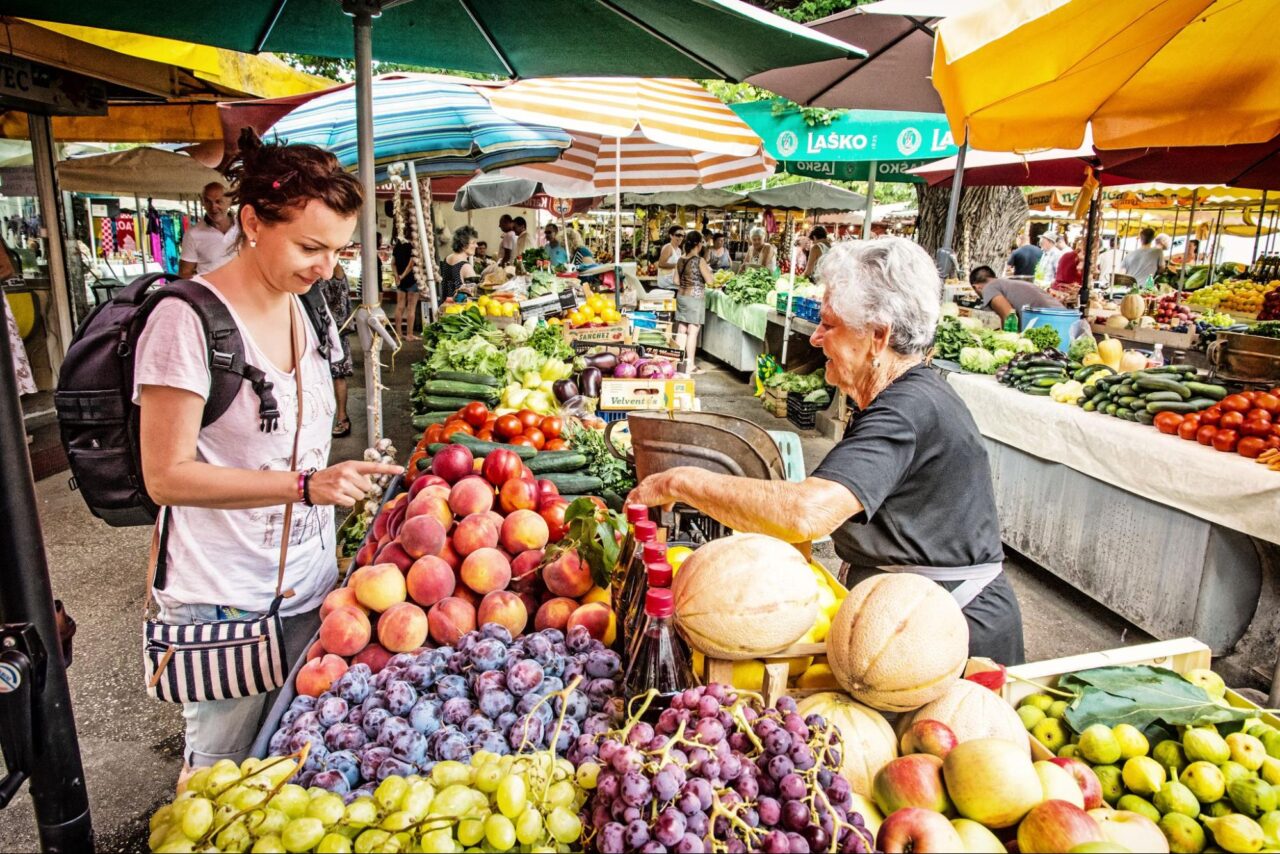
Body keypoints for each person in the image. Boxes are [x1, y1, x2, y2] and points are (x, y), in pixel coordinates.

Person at [134, 129, 402, 774]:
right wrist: (306, 486)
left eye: (337, 251)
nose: (326, 269)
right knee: (222, 773)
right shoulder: (184, 321)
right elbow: (165, 477)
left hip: (311, 592)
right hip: (223, 597)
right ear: (251, 221)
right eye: (310, 247)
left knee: (296, 759)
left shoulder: (305, 309)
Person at [629, 238, 1025, 664]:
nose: (815, 339)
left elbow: (806, 513)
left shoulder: (907, 410)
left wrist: (681, 481)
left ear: (877, 336)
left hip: (953, 636)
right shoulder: (903, 397)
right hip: (909, 622)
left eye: (829, 325)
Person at [317, 261, 354, 437]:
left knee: (338, 376)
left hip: (336, 333)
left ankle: (342, 417)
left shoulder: (335, 273)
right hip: (315, 331)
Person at [970, 265, 1063, 326]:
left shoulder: (989, 287)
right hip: (1065, 318)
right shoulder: (1006, 284)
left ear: (976, 287)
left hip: (1052, 322)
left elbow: (1009, 316)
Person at [178, 182, 238, 277]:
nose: (213, 207)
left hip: (242, 290)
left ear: (229, 202)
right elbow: (185, 273)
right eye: (208, 202)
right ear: (203, 203)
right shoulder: (193, 234)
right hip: (210, 290)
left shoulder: (244, 227)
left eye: (218, 201)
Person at [674, 231, 712, 375]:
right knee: (692, 332)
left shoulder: (680, 259)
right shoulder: (699, 260)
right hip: (694, 298)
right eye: (702, 242)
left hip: (681, 297)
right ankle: (690, 365)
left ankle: (677, 362)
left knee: (682, 329)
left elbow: (676, 281)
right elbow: (710, 281)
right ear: (697, 244)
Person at [441, 226, 479, 303]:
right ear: (464, 245)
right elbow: (474, 294)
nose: (476, 246)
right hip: (458, 308)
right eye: (473, 243)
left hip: (445, 304)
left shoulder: (447, 258)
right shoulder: (465, 266)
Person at [392, 237, 419, 341]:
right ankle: (409, 334)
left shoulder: (397, 246)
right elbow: (411, 264)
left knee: (399, 307)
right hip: (412, 280)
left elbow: (393, 263)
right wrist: (402, 276)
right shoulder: (413, 245)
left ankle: (398, 334)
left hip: (400, 281)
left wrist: (397, 276)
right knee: (411, 308)